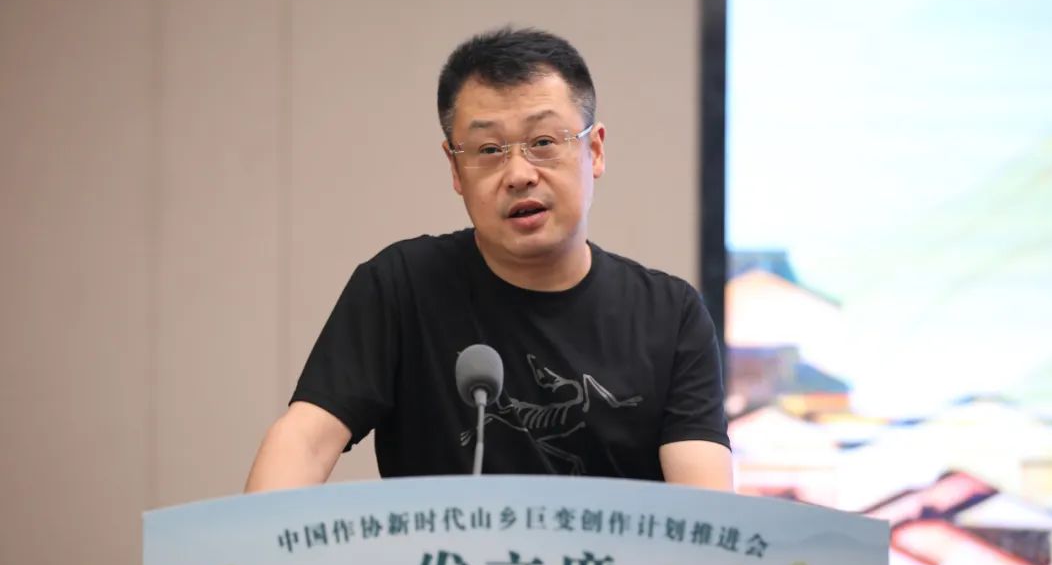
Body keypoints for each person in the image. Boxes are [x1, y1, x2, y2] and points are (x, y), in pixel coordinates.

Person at [244, 27, 732, 493]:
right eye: (489, 150)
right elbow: (305, 440)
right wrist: (250, 542)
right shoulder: (401, 286)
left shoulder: (670, 316)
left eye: (543, 143)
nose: (519, 174)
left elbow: (704, 506)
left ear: (595, 151)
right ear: (456, 169)